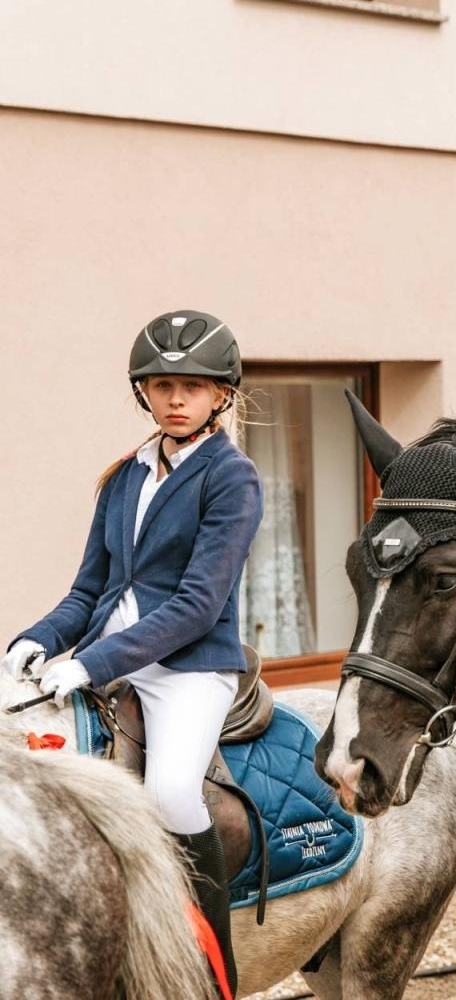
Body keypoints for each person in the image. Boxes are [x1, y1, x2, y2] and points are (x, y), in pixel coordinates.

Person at [4, 310, 263, 996]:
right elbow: (90, 588)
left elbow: (198, 606)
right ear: (142, 392)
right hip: (103, 657)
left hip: (189, 667)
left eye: (193, 386)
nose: (175, 399)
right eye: (161, 384)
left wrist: (92, 663)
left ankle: (211, 967)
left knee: (173, 794)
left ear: (221, 395)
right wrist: (37, 639)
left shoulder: (231, 478)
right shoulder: (123, 477)